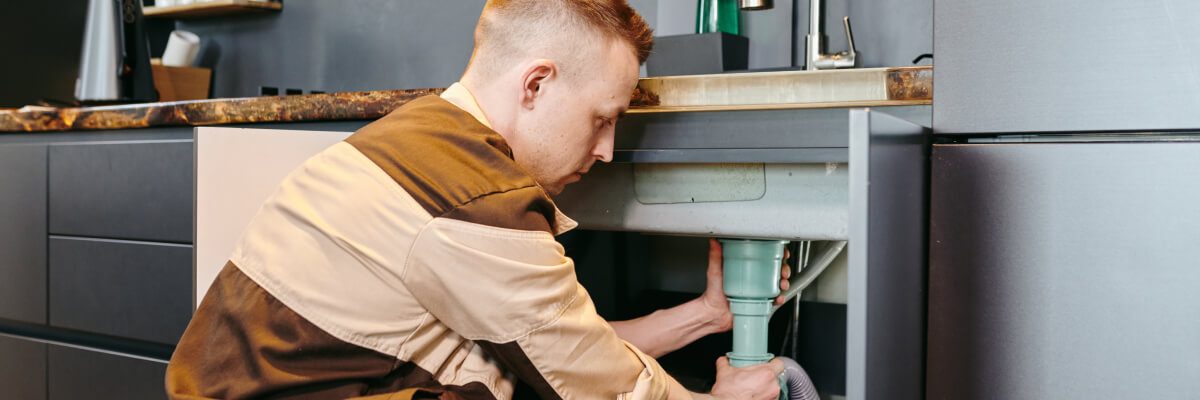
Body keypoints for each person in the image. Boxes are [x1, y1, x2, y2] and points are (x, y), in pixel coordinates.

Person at [166, 1, 790, 399]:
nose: (606, 150)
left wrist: (704, 317)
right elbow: (598, 383)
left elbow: (552, 344)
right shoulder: (473, 197)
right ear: (536, 84)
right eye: (602, 119)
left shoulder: (425, 139)